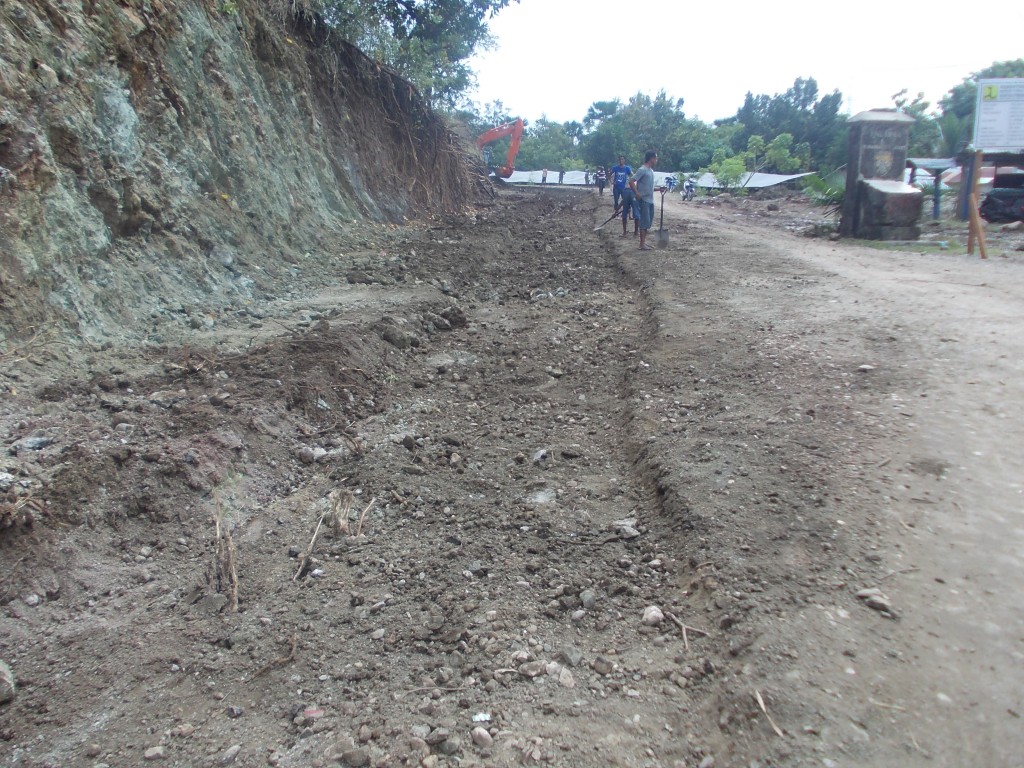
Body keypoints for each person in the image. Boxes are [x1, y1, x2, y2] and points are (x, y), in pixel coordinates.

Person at [629, 150, 664, 251]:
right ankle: (641, 244)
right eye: (655, 158)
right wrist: (637, 193)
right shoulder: (642, 170)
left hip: (650, 200)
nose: (656, 160)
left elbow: (649, 187)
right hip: (644, 200)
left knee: (648, 222)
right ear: (651, 158)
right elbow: (631, 181)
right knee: (644, 222)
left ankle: (643, 242)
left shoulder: (651, 171)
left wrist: (659, 189)